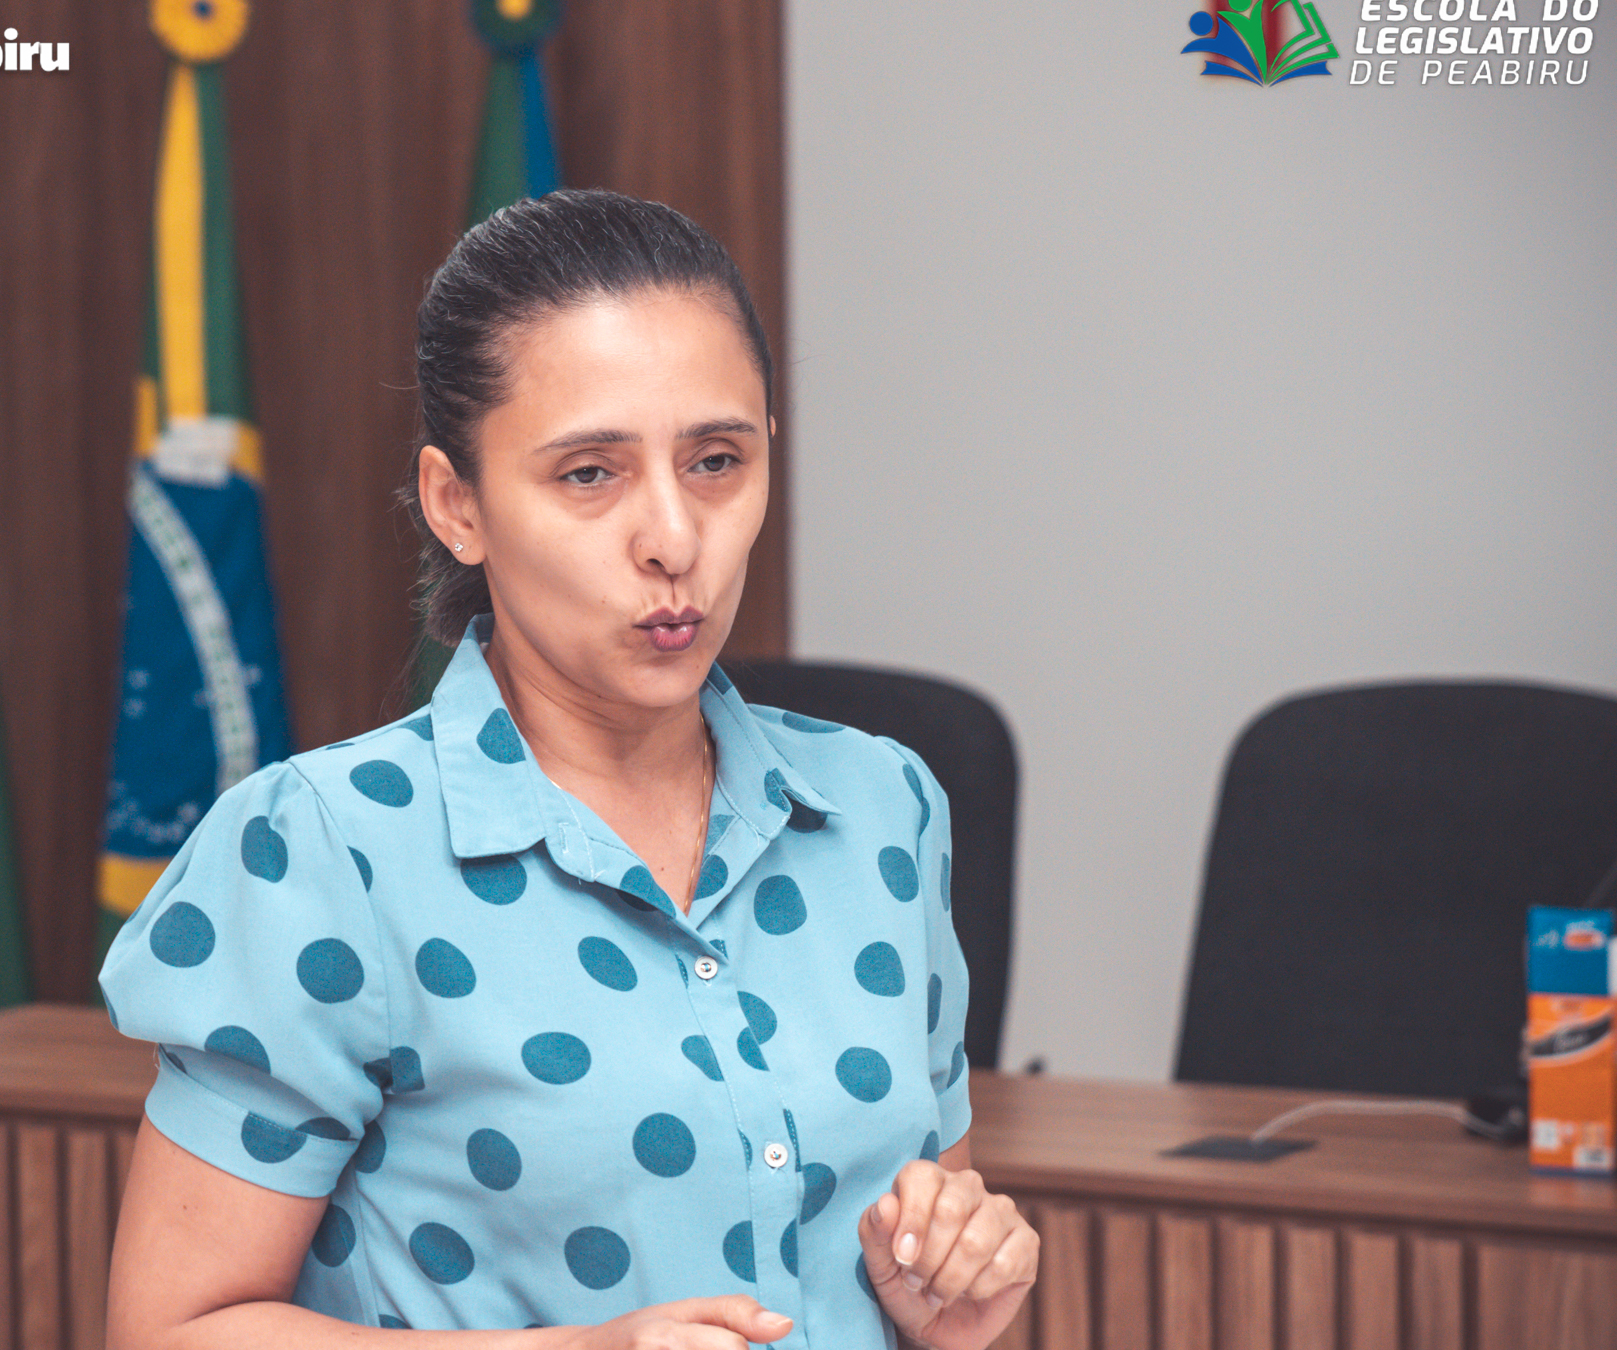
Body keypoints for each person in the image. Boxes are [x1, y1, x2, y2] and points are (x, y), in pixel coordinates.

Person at [100, 188, 1038, 1350]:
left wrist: (947, 1297)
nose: (675, 539)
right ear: (458, 506)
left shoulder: (883, 807)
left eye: (717, 460)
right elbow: (171, 1332)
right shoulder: (322, 852)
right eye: (590, 474)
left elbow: (923, 1239)